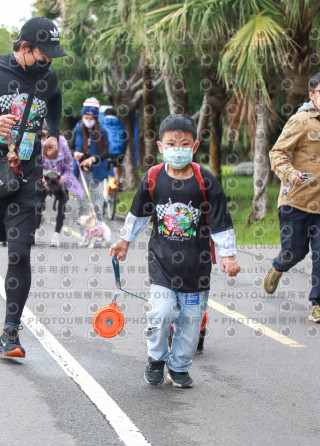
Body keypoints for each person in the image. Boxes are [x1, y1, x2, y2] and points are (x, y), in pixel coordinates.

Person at [109, 114, 240, 388]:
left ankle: (179, 367)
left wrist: (227, 255)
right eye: (171, 143)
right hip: (162, 263)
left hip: (197, 266)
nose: (177, 149)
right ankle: (156, 359)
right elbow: (138, 214)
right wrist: (124, 242)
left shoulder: (206, 181)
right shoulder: (153, 177)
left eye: (184, 144)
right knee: (161, 313)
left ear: (195, 147)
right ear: (160, 146)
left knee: (191, 324)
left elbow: (220, 221)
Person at [0, 17, 67, 357]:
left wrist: (53, 133)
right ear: (24, 49)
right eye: (43, 56)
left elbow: (54, 100)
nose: (47, 64)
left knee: (19, 252)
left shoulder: (48, 76)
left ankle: (10, 332)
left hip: (27, 177)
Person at [264, 72, 320, 323]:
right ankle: (278, 266)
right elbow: (277, 153)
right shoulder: (301, 121)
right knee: (294, 251)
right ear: (312, 96)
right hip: (296, 201)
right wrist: (290, 173)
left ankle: (316, 304)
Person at [71, 97, 109, 236]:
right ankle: (84, 235)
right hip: (80, 171)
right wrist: (75, 153)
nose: (88, 119)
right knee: (81, 204)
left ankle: (98, 233)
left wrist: (93, 159)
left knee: (97, 205)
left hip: (97, 171)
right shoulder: (77, 129)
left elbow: (106, 152)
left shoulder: (102, 131)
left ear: (96, 118)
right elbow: (71, 147)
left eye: (91, 117)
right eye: (85, 117)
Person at [40, 127, 84, 247]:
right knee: (36, 199)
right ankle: (35, 229)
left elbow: (69, 168)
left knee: (63, 201)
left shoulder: (63, 145)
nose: (45, 140)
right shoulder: (39, 144)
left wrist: (61, 179)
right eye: (42, 137)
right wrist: (43, 179)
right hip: (44, 179)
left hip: (61, 178)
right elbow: (36, 166)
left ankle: (56, 234)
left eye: (46, 136)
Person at [101, 106, 127, 188]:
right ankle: (118, 180)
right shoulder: (120, 123)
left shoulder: (101, 122)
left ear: (104, 115)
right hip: (118, 152)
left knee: (102, 165)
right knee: (117, 164)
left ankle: (104, 184)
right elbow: (125, 137)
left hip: (105, 153)